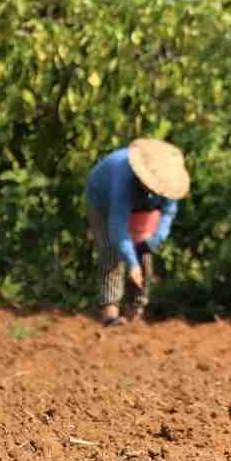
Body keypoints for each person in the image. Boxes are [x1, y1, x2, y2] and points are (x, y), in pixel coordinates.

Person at [84, 138, 190, 327]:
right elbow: (118, 227)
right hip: (102, 201)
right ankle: (111, 314)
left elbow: (168, 213)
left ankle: (135, 313)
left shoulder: (168, 183)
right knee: (112, 253)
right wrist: (132, 264)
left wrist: (153, 241)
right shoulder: (123, 178)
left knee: (144, 253)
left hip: (144, 206)